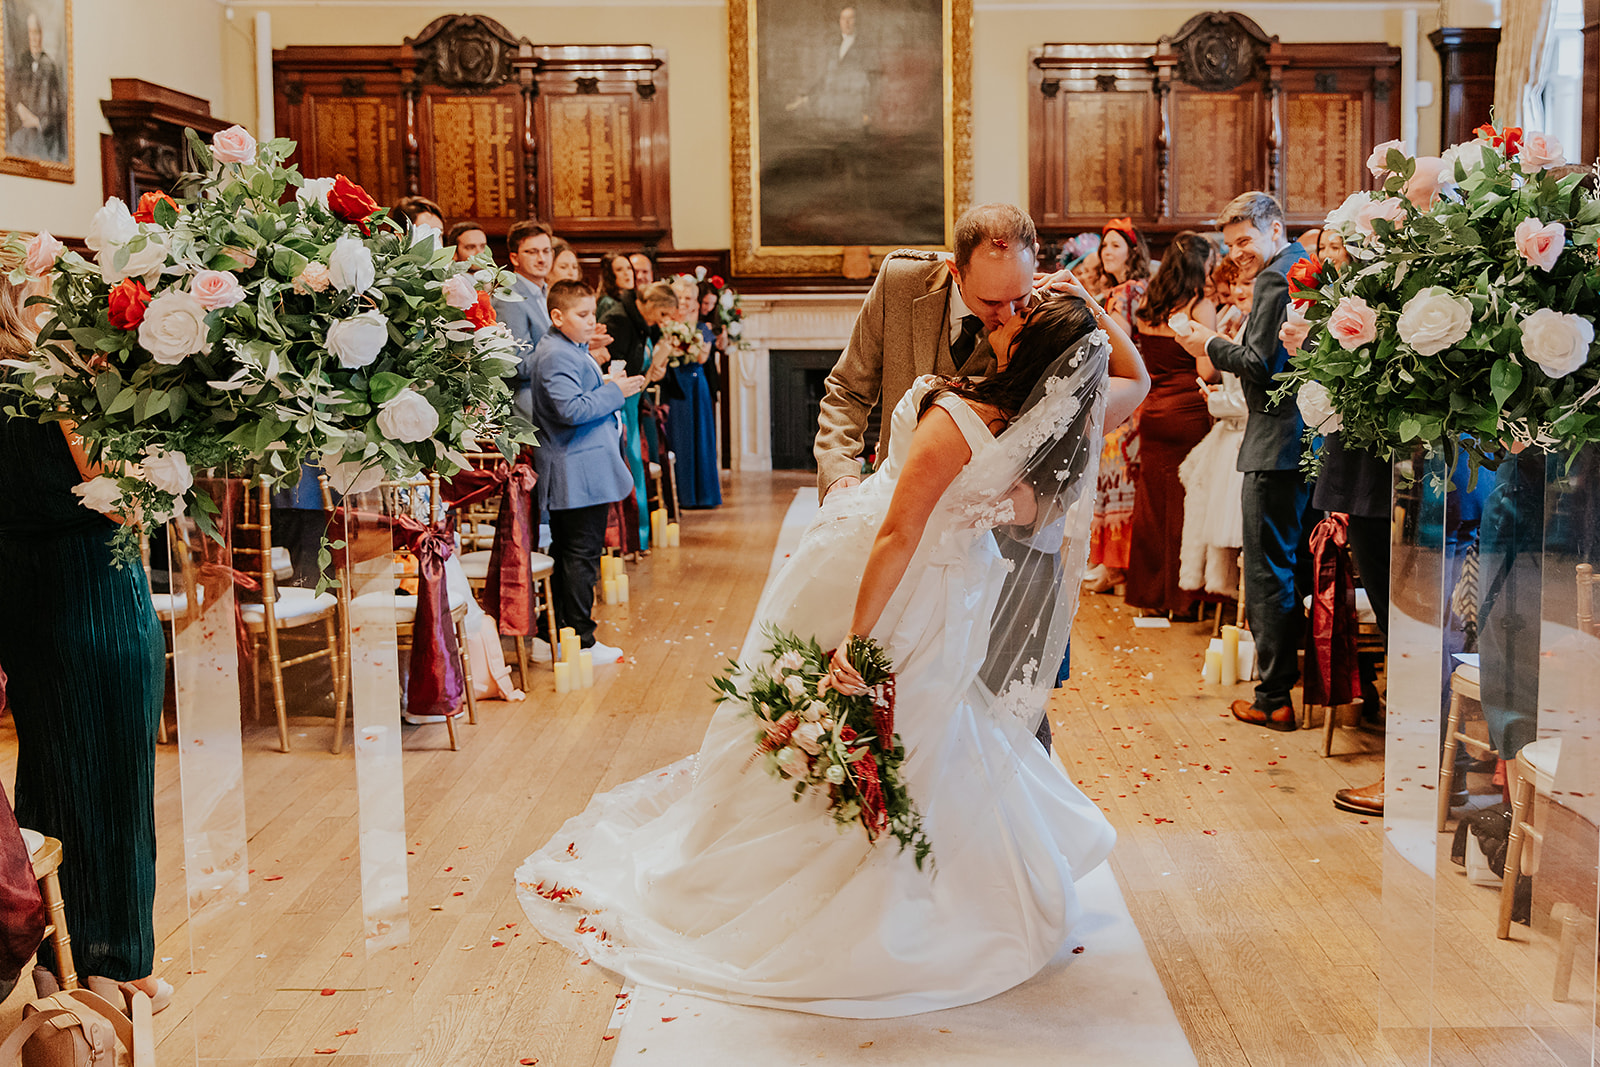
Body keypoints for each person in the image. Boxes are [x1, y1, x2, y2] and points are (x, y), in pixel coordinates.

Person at [516, 281, 1149, 1017]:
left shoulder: (960, 416)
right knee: (923, 731)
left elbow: (898, 533)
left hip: (878, 578)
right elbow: (1131, 377)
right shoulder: (1048, 418)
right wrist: (1091, 314)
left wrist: (857, 635)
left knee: (854, 713)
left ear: (1034, 348)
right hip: (955, 594)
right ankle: (919, 877)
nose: (1007, 311)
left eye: (1025, 315)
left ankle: (836, 878)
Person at [0, 260, 170, 1010]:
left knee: (53, 775)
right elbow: (122, 498)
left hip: (28, 609)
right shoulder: (43, 387)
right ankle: (114, 965)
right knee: (113, 785)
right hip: (95, 600)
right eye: (45, 279)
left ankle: (57, 956)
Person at [1176, 191, 1309, 731]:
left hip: (1274, 440)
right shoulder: (1305, 265)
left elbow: (1259, 364)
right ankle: (1307, 682)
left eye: (1245, 240)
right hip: (1305, 439)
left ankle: (1273, 696)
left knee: (1267, 572)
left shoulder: (1279, 277)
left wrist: (1206, 343)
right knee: (1294, 567)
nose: (1239, 253)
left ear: (1274, 228)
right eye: (1231, 245)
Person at [814, 203, 1037, 502]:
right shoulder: (900, 282)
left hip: (992, 522)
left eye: (1019, 298)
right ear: (956, 270)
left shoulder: (1049, 315)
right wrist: (838, 470)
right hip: (892, 500)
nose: (1009, 316)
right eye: (990, 302)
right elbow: (849, 390)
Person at [526, 280, 648, 664]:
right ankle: (580, 639)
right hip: (575, 469)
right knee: (580, 555)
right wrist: (617, 392)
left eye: (592, 313)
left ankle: (558, 635)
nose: (590, 322)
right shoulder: (557, 354)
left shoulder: (568, 348)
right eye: (582, 315)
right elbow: (570, 410)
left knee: (572, 553)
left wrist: (608, 384)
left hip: (582, 466)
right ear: (557, 316)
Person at [1124, 232, 1217, 619]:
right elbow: (1206, 368)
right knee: (1184, 505)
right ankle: (1182, 602)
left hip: (1154, 411)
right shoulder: (1199, 305)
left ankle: (1149, 597)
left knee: (1150, 507)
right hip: (1189, 412)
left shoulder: (1148, 302)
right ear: (1199, 265)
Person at [1081, 219, 1153, 593]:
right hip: (1132, 390)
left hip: (1125, 390)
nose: (1106, 251)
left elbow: (1117, 347)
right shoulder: (1132, 289)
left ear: (1132, 251)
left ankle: (1117, 565)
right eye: (1104, 246)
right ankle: (1111, 563)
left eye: (1114, 245)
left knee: (1114, 472)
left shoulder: (1125, 293)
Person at [600, 280, 676, 552]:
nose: (664, 320)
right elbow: (615, 366)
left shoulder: (643, 323)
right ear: (653, 306)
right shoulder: (619, 320)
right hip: (618, 403)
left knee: (636, 464)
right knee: (628, 464)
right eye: (664, 313)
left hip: (633, 403)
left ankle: (638, 536)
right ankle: (627, 536)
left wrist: (658, 368)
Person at [658, 278, 723, 508]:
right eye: (681, 297)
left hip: (696, 385)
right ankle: (681, 495)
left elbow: (702, 357)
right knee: (678, 436)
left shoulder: (703, 328)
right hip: (673, 384)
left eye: (689, 298)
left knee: (701, 437)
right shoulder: (663, 325)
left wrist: (682, 343)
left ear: (696, 302)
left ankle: (703, 495)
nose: (684, 303)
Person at [496, 219, 556, 423]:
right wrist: (567, 350)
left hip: (553, 396)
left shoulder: (546, 292)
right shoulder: (509, 297)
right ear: (514, 258)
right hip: (530, 405)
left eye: (546, 251)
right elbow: (518, 364)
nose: (542, 259)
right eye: (532, 252)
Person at [9, 13, 66, 162]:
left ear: (41, 34)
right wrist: (19, 108)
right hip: (22, 127)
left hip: (42, 131)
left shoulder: (49, 65)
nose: (33, 38)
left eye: (36, 33)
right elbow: (12, 91)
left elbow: (55, 107)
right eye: (30, 33)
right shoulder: (23, 61)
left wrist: (37, 121)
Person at [596, 252, 634, 320]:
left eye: (629, 268)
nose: (626, 273)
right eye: (619, 270)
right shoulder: (607, 303)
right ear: (610, 275)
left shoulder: (631, 300)